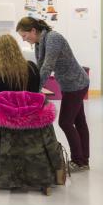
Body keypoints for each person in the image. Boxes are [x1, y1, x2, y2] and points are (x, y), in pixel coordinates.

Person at [17, 17, 90, 171]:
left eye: (24, 35)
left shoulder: (53, 38)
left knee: (65, 122)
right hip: (69, 83)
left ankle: (79, 161)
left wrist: (35, 92)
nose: (24, 39)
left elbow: (47, 66)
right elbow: (40, 66)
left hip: (76, 83)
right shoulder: (38, 43)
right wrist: (34, 85)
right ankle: (84, 160)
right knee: (79, 121)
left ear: (33, 31)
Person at [0, 34, 41, 102]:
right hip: (26, 111)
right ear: (17, 48)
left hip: (3, 111)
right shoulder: (32, 67)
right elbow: (35, 93)